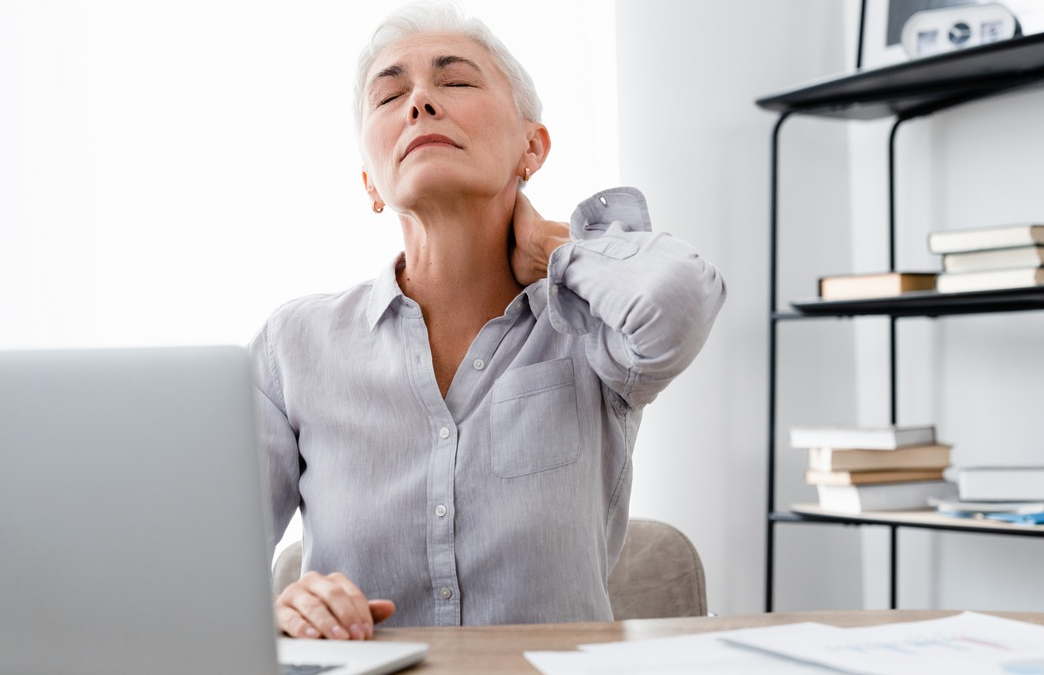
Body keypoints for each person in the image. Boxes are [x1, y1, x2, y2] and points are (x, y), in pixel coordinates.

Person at [249, 1, 725, 640]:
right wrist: (268, 614)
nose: (420, 102)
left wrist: (555, 252)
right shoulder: (293, 347)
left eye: (455, 81)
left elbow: (681, 299)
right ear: (370, 182)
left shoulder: (586, 329)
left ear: (533, 146)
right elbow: (198, 567)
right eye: (390, 95)